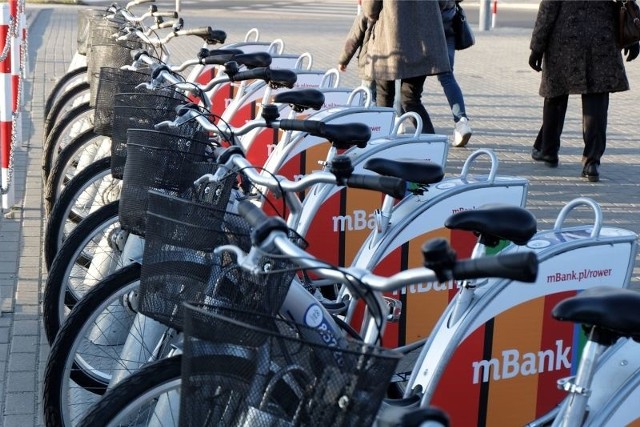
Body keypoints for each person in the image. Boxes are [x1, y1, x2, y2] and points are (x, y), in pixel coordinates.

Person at [528, 0, 639, 182]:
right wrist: (632, 38)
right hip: (602, 36)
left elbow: (548, 7)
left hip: (564, 38)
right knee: (596, 100)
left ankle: (548, 151)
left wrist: (537, 47)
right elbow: (625, 2)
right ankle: (591, 162)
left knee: (555, 94)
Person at [361, 0, 450, 134]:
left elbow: (370, 9)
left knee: (384, 96)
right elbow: (444, 3)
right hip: (422, 42)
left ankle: (382, 143)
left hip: (389, 41)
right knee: (411, 99)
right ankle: (431, 147)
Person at [438, 0, 472, 147]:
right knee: (447, 76)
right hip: (448, 26)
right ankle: (461, 122)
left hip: (426, 30)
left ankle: (398, 119)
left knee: (408, 80)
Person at [337, 4, 376, 101]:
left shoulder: (369, 9)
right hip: (395, 66)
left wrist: (343, 60)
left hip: (371, 63)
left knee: (367, 97)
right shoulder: (399, 10)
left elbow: (354, 37)